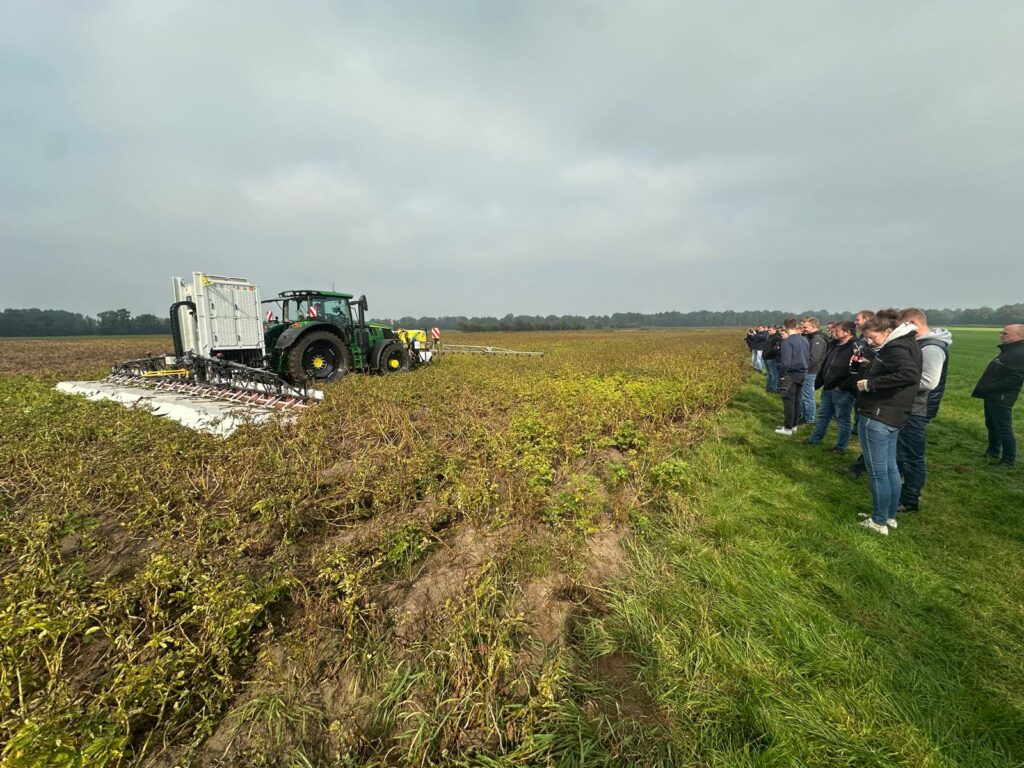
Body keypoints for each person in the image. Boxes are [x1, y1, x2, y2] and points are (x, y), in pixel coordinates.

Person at [853, 310, 922, 535]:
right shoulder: (909, 343)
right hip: (894, 415)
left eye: (873, 337)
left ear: (888, 332)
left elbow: (909, 375)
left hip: (879, 415)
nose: (870, 342)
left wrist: (871, 384)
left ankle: (878, 520)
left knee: (877, 472)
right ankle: (888, 515)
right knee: (890, 468)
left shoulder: (896, 347)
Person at [895, 309, 953, 511]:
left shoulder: (932, 348)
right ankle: (898, 490)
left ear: (912, 323)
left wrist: (893, 381)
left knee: (912, 455)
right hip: (908, 405)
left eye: (901, 326)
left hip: (918, 408)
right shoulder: (920, 344)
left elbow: (928, 382)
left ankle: (910, 500)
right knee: (901, 451)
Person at [971, 323, 1024, 470]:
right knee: (992, 425)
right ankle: (993, 451)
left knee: (1003, 428)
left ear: (1019, 336)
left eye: (1005, 333)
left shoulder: (1019, 353)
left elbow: (1016, 378)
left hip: (1001, 397)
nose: (1001, 335)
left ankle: (1008, 461)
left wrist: (990, 388)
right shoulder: (1010, 350)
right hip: (993, 396)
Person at [806, 320, 858, 452]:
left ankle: (841, 447)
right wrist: (818, 384)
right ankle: (814, 439)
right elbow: (825, 366)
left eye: (837, 330)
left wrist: (842, 386)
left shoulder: (856, 347)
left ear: (848, 332)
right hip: (828, 388)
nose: (834, 332)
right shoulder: (834, 345)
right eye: (833, 330)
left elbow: (856, 372)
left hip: (842, 391)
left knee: (842, 419)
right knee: (822, 415)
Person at [775, 319, 809, 436]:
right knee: (796, 400)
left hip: (790, 374)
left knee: (788, 401)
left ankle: (787, 428)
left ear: (785, 327)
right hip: (802, 373)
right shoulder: (804, 340)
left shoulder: (787, 342)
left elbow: (785, 362)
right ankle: (794, 426)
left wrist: (782, 376)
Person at [800, 317, 828, 425]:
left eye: (805, 327)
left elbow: (813, 358)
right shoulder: (811, 337)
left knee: (807, 396)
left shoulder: (817, 340)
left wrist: (802, 368)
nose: (803, 328)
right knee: (804, 395)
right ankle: (804, 416)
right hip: (807, 371)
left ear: (813, 326)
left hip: (810, 372)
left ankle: (809, 419)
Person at [762, 325, 782, 393]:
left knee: (773, 374)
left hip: (771, 358)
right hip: (766, 358)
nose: (768, 331)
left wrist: (768, 354)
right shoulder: (769, 337)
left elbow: (776, 349)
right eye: (768, 330)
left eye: (770, 330)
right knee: (769, 374)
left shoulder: (777, 338)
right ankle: (768, 387)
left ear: (775, 330)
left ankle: (774, 389)